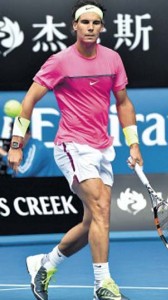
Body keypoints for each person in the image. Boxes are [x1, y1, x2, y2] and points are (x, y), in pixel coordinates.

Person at [8, 0, 143, 299]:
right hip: (72, 145)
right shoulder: (60, 62)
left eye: (96, 23)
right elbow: (28, 101)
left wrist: (133, 143)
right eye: (85, 22)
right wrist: (16, 145)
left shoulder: (112, 60)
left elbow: (123, 103)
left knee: (93, 220)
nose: (91, 27)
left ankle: (45, 265)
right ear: (75, 26)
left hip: (103, 147)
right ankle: (103, 285)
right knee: (101, 209)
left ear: (102, 27)